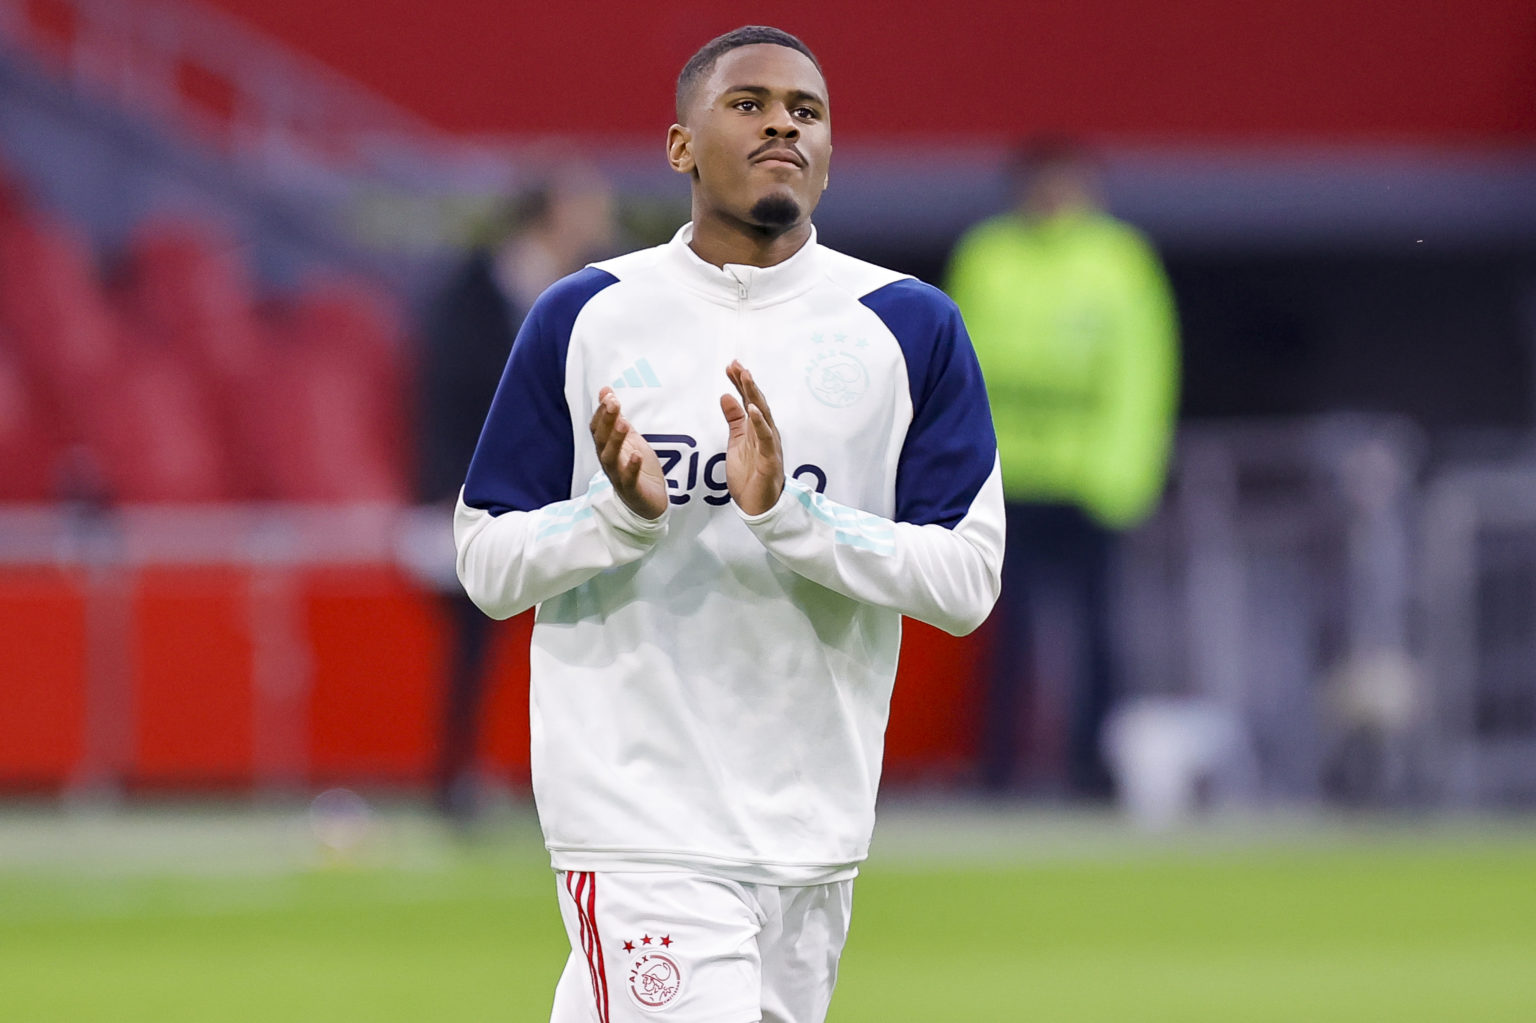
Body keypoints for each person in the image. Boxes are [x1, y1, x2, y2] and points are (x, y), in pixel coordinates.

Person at [453, 26, 1003, 1023]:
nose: (782, 120)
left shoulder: (911, 327)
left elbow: (967, 581)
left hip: (816, 828)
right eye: (748, 103)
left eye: (807, 109)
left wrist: (795, 517)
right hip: (644, 819)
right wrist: (614, 520)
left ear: (828, 156)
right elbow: (487, 559)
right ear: (680, 148)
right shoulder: (586, 316)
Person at [945, 137, 1179, 798]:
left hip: (1090, 481)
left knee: (1100, 633)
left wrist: (1125, 473)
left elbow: (1142, 371)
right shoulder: (988, 256)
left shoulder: (1119, 261)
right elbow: (961, 367)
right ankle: (997, 771)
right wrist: (965, 467)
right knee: (999, 631)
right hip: (1008, 478)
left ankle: (1089, 770)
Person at [415, 171, 616, 823]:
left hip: (564, 498)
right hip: (489, 494)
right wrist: (451, 487)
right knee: (475, 643)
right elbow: (442, 397)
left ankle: (575, 782)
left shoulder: (591, 296)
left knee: (583, 635)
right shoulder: (474, 293)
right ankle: (457, 777)